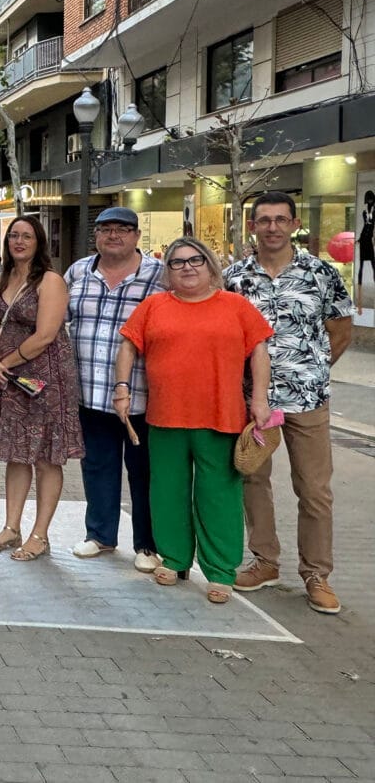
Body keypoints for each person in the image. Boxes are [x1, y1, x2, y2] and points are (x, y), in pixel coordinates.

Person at [117, 236, 273, 604]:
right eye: (177, 262)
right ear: (168, 271)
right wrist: (121, 388)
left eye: (195, 260)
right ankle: (174, 558)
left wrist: (260, 399)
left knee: (219, 496)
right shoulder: (154, 306)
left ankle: (220, 570)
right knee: (166, 491)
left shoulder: (236, 306)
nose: (187, 267)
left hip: (221, 417)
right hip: (165, 416)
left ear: (210, 266)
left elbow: (259, 351)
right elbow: (128, 346)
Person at [225, 191, 353, 614]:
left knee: (314, 489)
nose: (273, 227)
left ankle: (316, 574)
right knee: (252, 480)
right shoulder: (235, 277)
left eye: (281, 219)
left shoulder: (321, 273)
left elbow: (340, 329)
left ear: (295, 224)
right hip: (252, 400)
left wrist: (312, 369)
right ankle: (265, 561)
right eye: (264, 220)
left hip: (307, 398)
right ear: (252, 226)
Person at [64, 206, 164, 572]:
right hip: (90, 393)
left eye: (122, 229)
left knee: (145, 472)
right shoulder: (78, 272)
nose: (113, 235)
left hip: (142, 395)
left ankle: (147, 544)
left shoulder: (160, 275)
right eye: (106, 229)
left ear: (137, 236)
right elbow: (59, 320)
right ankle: (100, 535)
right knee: (97, 467)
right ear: (96, 235)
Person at [0, 216, 84, 561]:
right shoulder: (0, 278)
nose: (19, 241)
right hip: (6, 377)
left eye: (27, 236)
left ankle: (40, 534)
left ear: (39, 242)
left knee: (45, 456)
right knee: (16, 452)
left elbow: (45, 335)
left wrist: (4, 363)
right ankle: (11, 527)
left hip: (44, 380)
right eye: (13, 235)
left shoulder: (50, 281)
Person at [357, 190, 375, 315]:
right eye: (368, 200)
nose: (369, 202)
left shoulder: (374, 211)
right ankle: (359, 300)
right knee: (361, 266)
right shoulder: (365, 211)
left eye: (371, 200)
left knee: (373, 264)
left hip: (369, 240)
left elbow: (372, 226)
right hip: (364, 239)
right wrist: (359, 238)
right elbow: (365, 226)